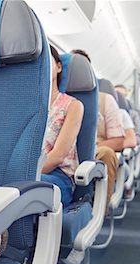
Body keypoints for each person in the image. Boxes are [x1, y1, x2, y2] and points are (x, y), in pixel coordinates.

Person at [71, 49, 125, 209]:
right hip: (60, 151)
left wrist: (89, 149)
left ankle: (100, 210)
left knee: (107, 154)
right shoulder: (53, 95)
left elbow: (118, 140)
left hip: (94, 149)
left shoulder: (105, 100)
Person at [41, 45, 84, 207]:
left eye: (47, 61)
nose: (42, 66)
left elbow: (58, 155)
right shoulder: (27, 105)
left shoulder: (73, 106)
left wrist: (25, 173)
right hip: (26, 173)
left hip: (58, 176)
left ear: (59, 67)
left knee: (19, 190)